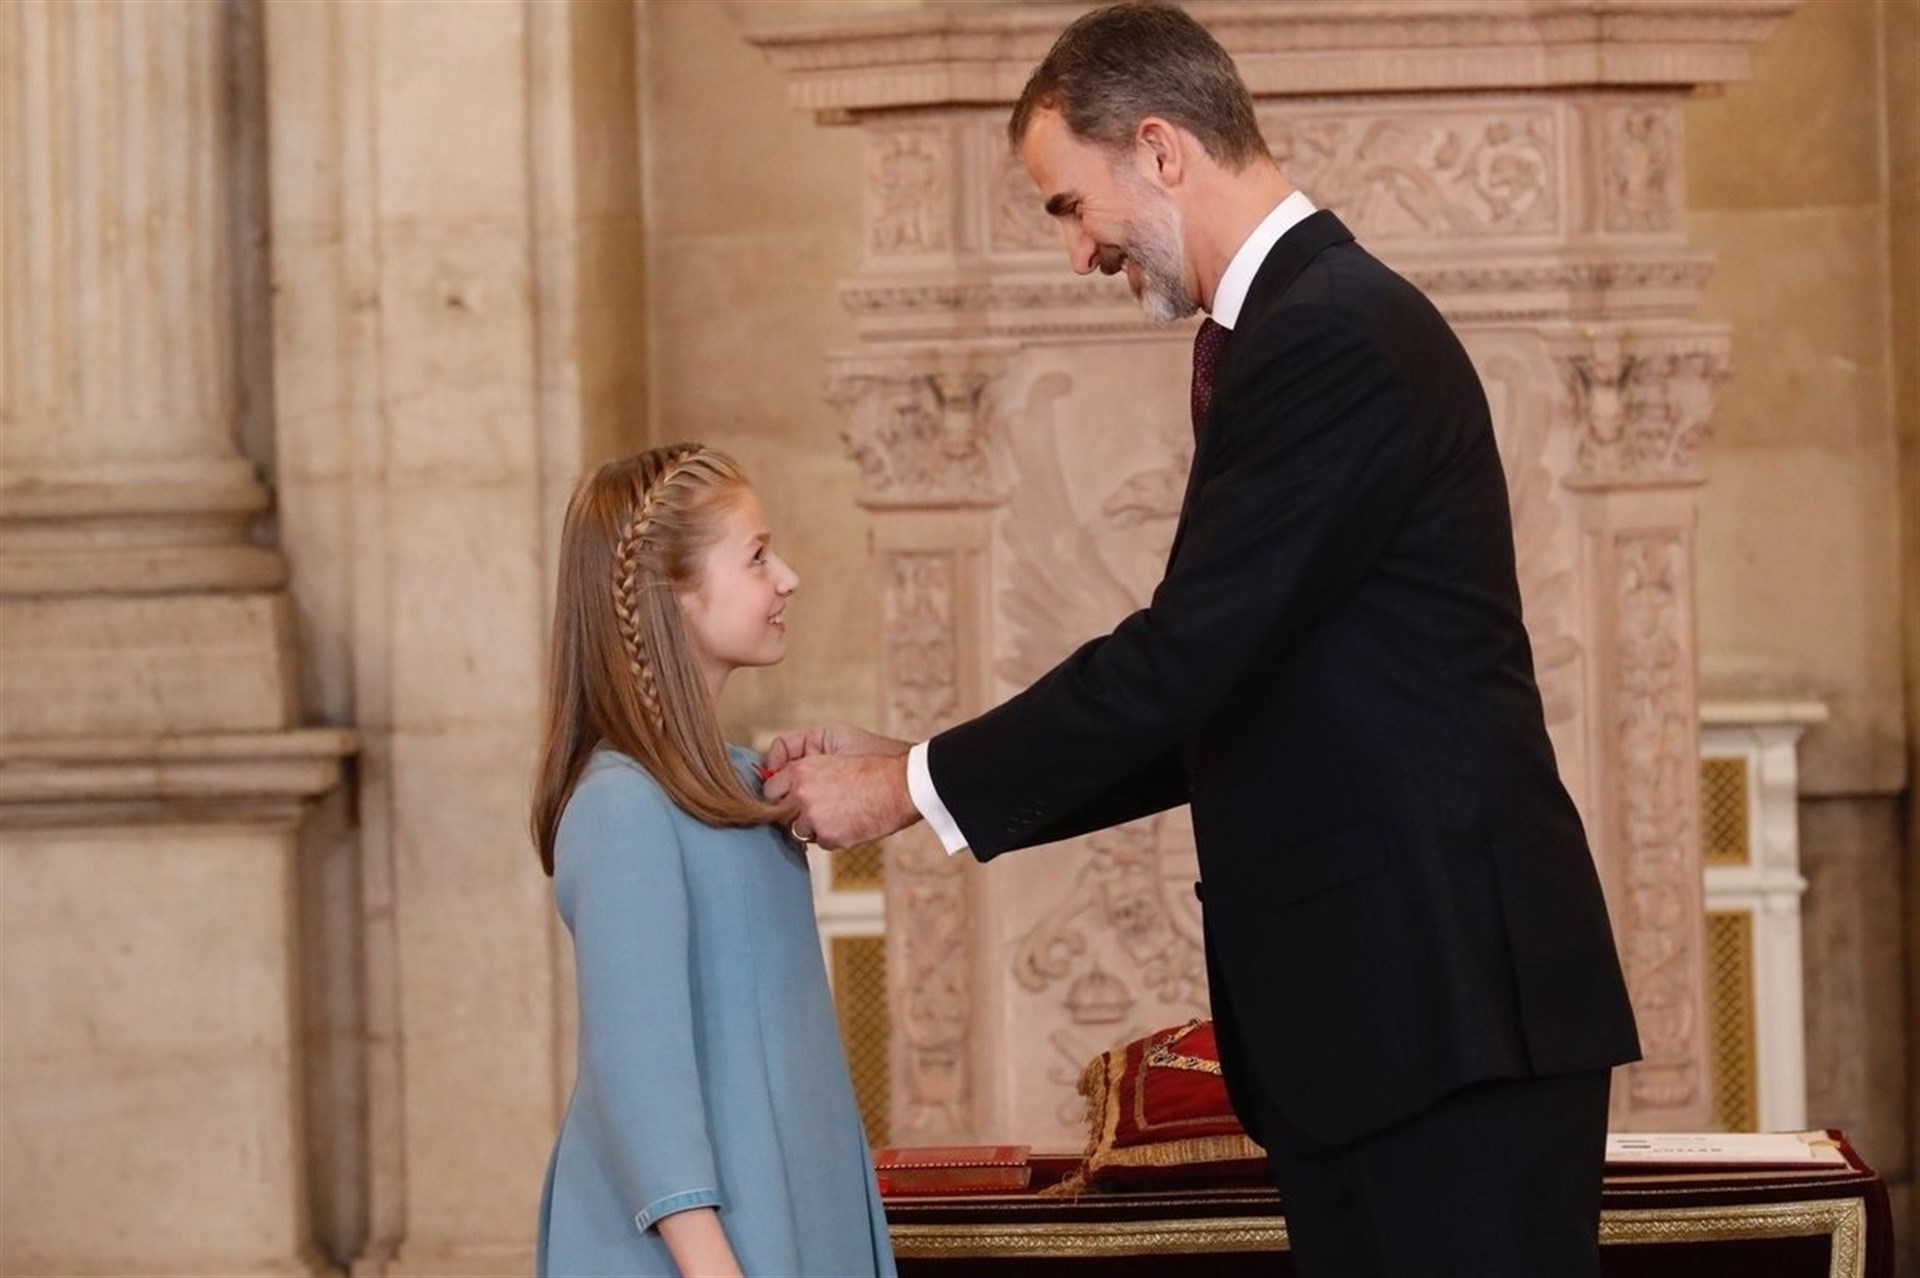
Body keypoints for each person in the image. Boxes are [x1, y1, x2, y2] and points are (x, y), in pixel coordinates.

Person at [764, 4, 1641, 1275]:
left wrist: (904, 789)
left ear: (1162, 150)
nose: (1076, 254)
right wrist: (920, 760)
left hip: (1444, 1018)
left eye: (1069, 205)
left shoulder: (1329, 331)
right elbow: (1220, 694)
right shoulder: (1301, 323)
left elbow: (1182, 660)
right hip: (1393, 1030)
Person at [529, 444, 895, 1278]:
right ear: (675, 598)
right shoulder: (623, 805)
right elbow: (639, 1076)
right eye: (759, 556)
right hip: (704, 1248)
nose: (789, 578)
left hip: (795, 1211)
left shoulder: (744, 785)